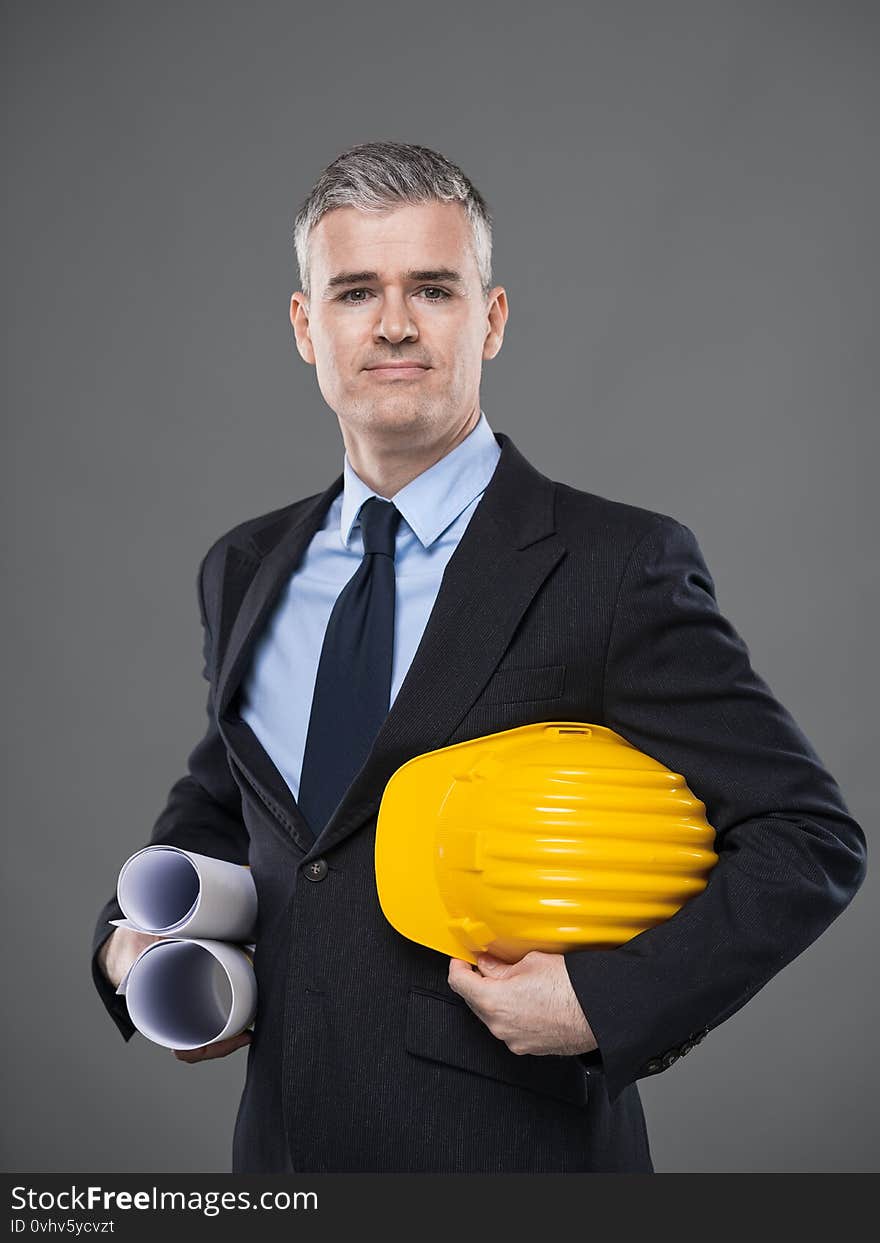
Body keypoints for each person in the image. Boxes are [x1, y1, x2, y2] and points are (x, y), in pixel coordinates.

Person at [91, 140, 867, 1174]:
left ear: (490, 319)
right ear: (304, 326)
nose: (395, 322)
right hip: (279, 1160)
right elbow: (230, 805)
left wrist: (602, 1001)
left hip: (512, 1164)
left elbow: (806, 838)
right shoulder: (243, 566)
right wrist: (122, 942)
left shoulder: (615, 564)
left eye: (434, 288)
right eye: (356, 289)